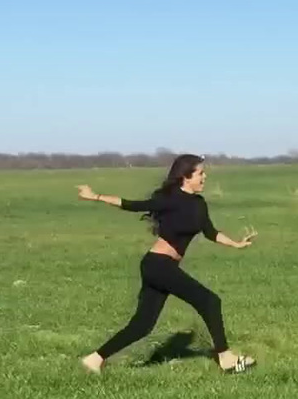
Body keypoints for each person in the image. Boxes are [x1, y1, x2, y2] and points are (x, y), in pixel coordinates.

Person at [75, 154, 257, 374]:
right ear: (186, 177)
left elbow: (210, 232)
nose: (205, 177)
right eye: (200, 173)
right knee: (210, 301)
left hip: (162, 267)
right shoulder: (169, 198)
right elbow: (132, 205)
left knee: (142, 326)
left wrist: (236, 244)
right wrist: (96, 196)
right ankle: (226, 358)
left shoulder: (199, 204)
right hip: (158, 265)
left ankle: (94, 359)